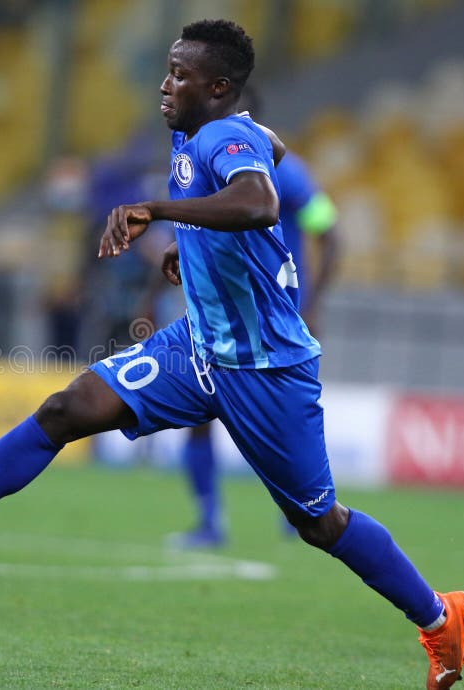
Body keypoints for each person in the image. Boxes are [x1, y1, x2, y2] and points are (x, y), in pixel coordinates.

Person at [0, 20, 464, 688]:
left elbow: (261, 201)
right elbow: (275, 149)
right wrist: (197, 249)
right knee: (67, 408)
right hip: (199, 345)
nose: (165, 84)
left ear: (220, 87)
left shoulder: (222, 135)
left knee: (320, 523)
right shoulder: (211, 131)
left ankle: (440, 618)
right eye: (168, 70)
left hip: (264, 369)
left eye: (180, 74)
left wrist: (160, 212)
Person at [171, 88, 341, 548]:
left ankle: (301, 510)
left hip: (273, 321)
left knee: (277, 423)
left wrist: (312, 302)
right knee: (200, 417)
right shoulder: (202, 162)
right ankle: (209, 519)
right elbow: (188, 234)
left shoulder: (289, 173)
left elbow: (328, 229)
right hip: (220, 313)